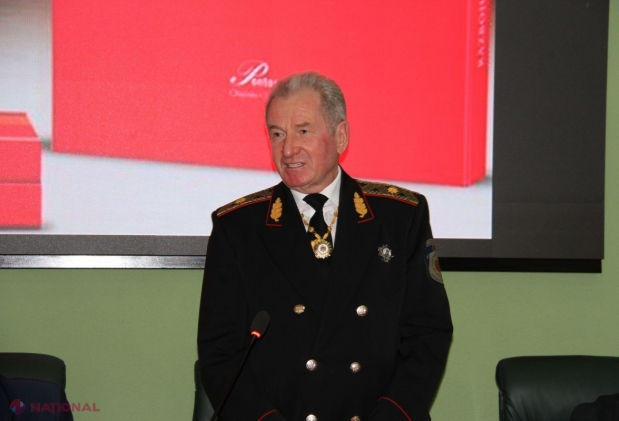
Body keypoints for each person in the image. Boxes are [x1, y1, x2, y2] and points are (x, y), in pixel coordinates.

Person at [197, 72, 452, 421]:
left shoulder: (400, 216)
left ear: (340, 135)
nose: (288, 149)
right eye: (277, 134)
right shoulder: (238, 227)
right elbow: (220, 353)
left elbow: (428, 333)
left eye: (303, 131)